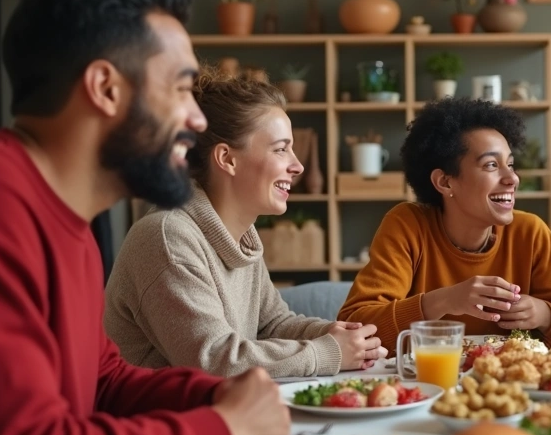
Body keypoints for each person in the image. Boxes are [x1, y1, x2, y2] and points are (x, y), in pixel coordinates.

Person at [0, 0, 290, 435]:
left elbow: (99, 382)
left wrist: (218, 394)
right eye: (181, 88)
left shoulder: (75, 216)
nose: (197, 118)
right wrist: (221, 430)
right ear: (106, 88)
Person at [104, 69, 386, 378]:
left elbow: (271, 325)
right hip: (155, 421)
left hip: (219, 412)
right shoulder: (167, 237)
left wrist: (336, 335)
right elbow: (213, 360)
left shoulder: (239, 237)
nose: (298, 165)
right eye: (281, 149)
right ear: (227, 158)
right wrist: (327, 351)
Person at [338, 97, 551, 351]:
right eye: (491, 165)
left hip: (510, 384)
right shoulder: (408, 225)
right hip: (426, 384)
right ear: (445, 182)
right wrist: (443, 301)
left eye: (510, 164)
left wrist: (546, 316)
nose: (512, 178)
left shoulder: (531, 233)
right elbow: (355, 327)